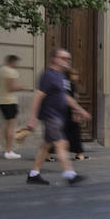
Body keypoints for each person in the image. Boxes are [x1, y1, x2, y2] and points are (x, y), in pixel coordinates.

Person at [24, 48, 89, 185]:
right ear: (54, 59)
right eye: (63, 58)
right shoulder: (48, 75)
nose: (67, 61)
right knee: (61, 143)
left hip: (60, 116)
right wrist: (32, 118)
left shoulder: (62, 76)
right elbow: (38, 96)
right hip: (50, 115)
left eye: (68, 59)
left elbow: (66, 97)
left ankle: (34, 174)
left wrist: (79, 110)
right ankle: (69, 174)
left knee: (46, 145)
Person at [0, 54, 23, 159]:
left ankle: (6, 148)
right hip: (10, 101)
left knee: (6, 125)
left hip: (0, 100)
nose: (17, 65)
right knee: (11, 126)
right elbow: (11, 87)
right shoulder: (11, 72)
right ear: (12, 62)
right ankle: (8, 151)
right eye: (16, 63)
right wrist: (20, 88)